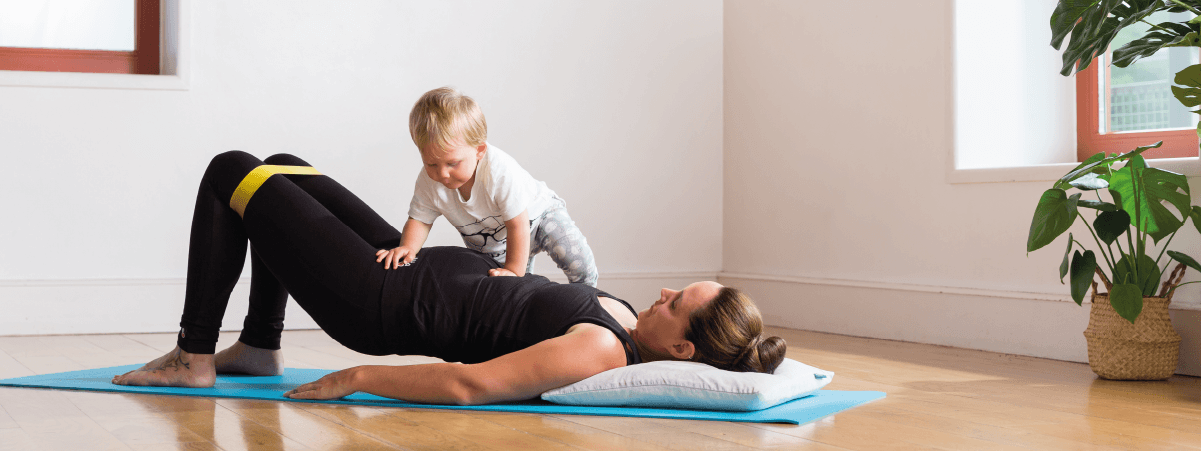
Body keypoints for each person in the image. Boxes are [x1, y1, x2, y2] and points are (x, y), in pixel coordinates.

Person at [111, 151, 786, 405]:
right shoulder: (627, 319)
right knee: (284, 168)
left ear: (680, 351)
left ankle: (194, 352)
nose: (664, 293)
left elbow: (470, 384)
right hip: (404, 264)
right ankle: (258, 345)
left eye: (677, 305)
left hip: (375, 299)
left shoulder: (602, 347)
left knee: (232, 170)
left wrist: (358, 377)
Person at [379, 87, 599, 286]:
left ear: (479, 151)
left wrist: (514, 269)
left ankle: (593, 300)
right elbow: (420, 219)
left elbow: (518, 224)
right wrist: (407, 247)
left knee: (577, 261)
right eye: (431, 164)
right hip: (493, 244)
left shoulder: (498, 171)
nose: (442, 173)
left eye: (452, 163)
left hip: (538, 218)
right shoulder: (429, 183)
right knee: (511, 287)